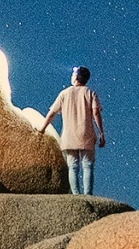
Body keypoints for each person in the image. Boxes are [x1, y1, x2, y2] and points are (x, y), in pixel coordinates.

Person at [40, 66, 105, 195]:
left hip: (69, 136)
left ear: (76, 77)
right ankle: (88, 195)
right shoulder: (90, 93)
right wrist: (101, 133)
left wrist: (42, 129)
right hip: (86, 134)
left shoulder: (64, 94)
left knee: (73, 167)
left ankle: (75, 195)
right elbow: (96, 112)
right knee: (88, 166)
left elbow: (51, 113)